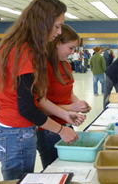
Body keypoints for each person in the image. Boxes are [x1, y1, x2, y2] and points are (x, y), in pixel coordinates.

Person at [0, 0, 80, 180]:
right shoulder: (24, 51)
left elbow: (36, 97)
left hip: (10, 129)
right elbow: (27, 107)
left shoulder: (17, 45)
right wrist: (61, 130)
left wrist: (64, 115)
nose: (59, 32)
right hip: (15, 132)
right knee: (20, 179)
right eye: (57, 26)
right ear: (43, 22)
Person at [37, 24, 90, 169]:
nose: (73, 53)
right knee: (55, 171)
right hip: (48, 129)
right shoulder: (43, 67)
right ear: (57, 43)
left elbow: (69, 93)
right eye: (71, 48)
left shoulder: (65, 64)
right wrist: (70, 108)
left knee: (68, 167)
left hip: (65, 125)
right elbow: (40, 106)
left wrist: (80, 104)